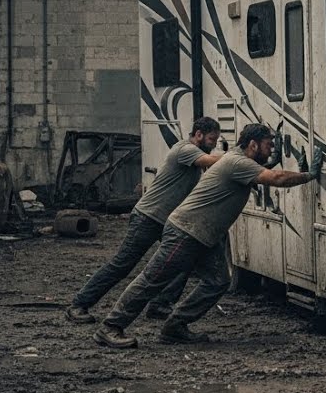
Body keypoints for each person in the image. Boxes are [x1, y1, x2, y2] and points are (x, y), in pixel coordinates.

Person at [93, 122, 322, 348]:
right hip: (186, 232)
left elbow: (270, 171)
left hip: (203, 236)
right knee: (152, 279)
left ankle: (175, 327)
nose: (271, 149)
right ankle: (110, 327)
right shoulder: (238, 162)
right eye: (268, 145)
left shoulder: (241, 162)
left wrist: (297, 172)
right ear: (253, 144)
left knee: (217, 281)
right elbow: (276, 178)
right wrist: (309, 175)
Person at [64, 117, 222, 324]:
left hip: (167, 221)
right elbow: (211, 162)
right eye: (211, 139)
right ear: (199, 134)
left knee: (184, 262)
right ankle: (78, 304)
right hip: (148, 217)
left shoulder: (193, 153)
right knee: (122, 264)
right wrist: (242, 159)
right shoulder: (185, 150)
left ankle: (160, 305)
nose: (213, 144)